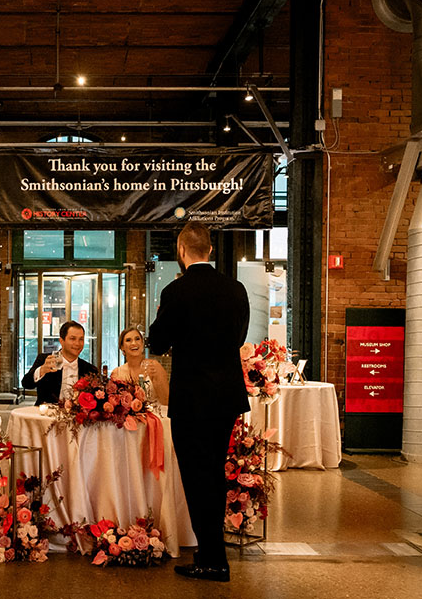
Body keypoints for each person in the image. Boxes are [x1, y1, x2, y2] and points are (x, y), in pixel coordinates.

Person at [148, 222, 250, 583]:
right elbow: (239, 337)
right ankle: (213, 555)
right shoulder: (235, 289)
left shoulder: (176, 291)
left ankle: (212, 560)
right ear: (210, 250)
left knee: (196, 478)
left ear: (181, 250)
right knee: (215, 474)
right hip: (225, 397)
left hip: (191, 398)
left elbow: (157, 343)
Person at [22, 320, 98, 406]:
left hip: (77, 417)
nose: (77, 343)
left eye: (81, 339)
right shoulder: (45, 360)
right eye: (72, 339)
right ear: (61, 341)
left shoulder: (90, 370)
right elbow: (26, 384)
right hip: (46, 416)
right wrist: (42, 369)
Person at [110, 326, 169, 406]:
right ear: (122, 347)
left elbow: (166, 401)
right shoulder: (117, 373)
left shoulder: (154, 366)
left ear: (142, 343)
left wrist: (156, 381)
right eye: (128, 340)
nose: (134, 343)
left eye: (137, 339)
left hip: (155, 416)